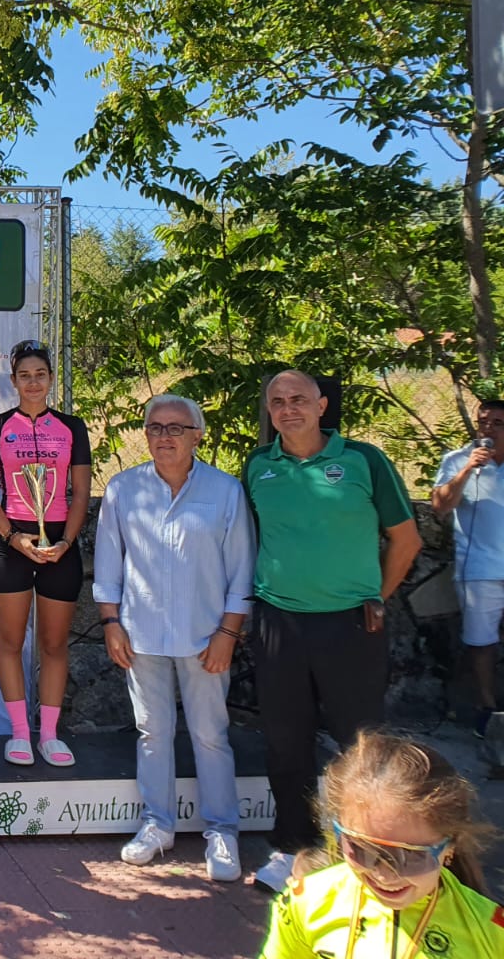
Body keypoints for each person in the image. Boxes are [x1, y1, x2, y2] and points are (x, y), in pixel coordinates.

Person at [244, 370, 422, 892]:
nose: (287, 408)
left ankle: (365, 851)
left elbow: (406, 540)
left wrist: (377, 597)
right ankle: (292, 850)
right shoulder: (259, 467)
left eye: (298, 398)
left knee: (362, 745)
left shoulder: (364, 461)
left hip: (351, 623)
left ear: (322, 405)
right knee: (284, 743)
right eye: (277, 401)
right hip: (279, 623)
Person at [93, 395, 254, 882]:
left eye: (176, 428)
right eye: (155, 427)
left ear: (197, 435)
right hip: (140, 636)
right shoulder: (123, 490)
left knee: (210, 735)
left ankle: (222, 832)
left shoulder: (225, 492)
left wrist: (229, 632)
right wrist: (110, 623)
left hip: (206, 638)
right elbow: (107, 566)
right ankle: (158, 826)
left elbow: (241, 570)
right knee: (152, 734)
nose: (164, 436)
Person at [259, 731, 503, 957]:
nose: (386, 875)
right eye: (361, 849)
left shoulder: (492, 931)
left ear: (450, 846)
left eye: (411, 856)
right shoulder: (307, 902)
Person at [0, 339, 92, 766]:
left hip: (60, 543)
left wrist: (66, 540)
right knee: (10, 640)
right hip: (12, 543)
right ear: (13, 381)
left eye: (40, 374)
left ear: (50, 378)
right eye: (25, 376)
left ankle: (51, 735)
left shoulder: (72, 427)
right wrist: (13, 537)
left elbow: (80, 492)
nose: (33, 382)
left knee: (55, 643)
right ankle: (20, 733)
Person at [430, 399, 504, 740]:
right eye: (483, 422)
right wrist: (466, 471)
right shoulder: (458, 460)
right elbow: (440, 507)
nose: (488, 429)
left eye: (497, 423)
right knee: (480, 643)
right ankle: (487, 713)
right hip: (479, 570)